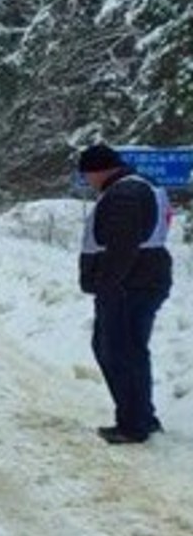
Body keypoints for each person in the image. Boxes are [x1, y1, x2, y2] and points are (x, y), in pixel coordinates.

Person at [77, 143, 173, 443]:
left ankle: (133, 425)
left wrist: (108, 284)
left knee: (117, 351)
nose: (88, 182)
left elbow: (122, 246)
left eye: (87, 175)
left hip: (128, 286)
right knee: (128, 350)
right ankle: (141, 415)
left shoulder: (125, 194)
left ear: (98, 170)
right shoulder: (138, 186)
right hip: (141, 280)